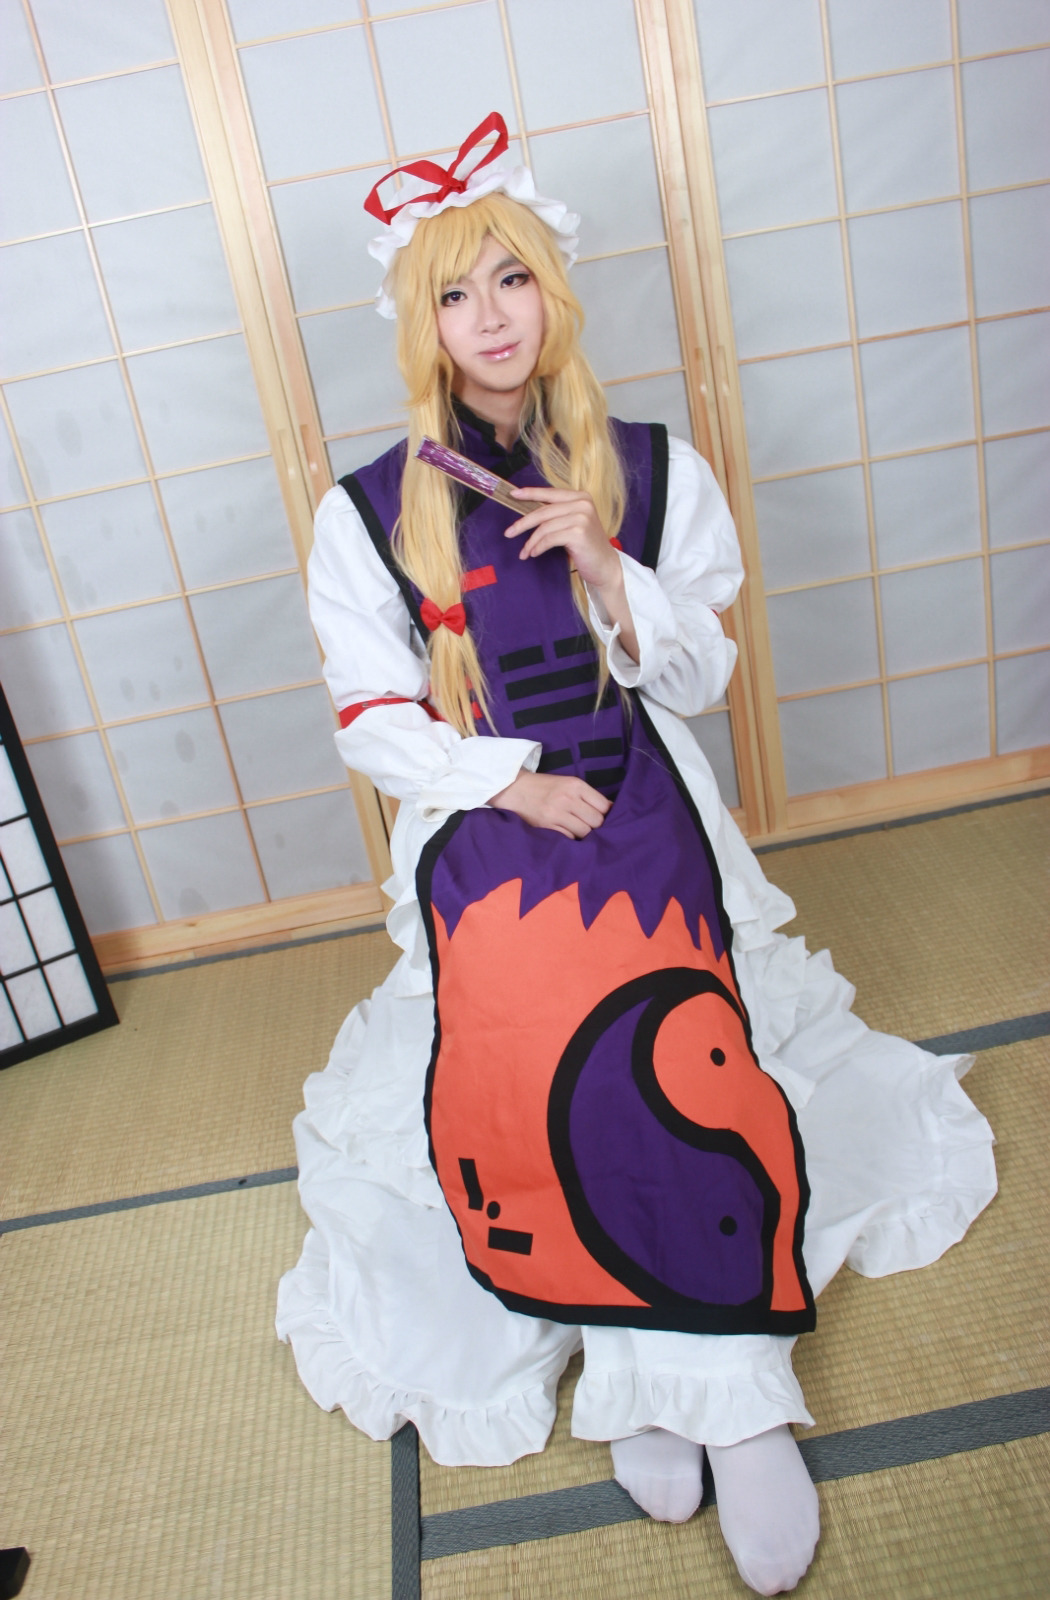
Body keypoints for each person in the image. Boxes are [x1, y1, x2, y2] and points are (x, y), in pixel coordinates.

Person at [276, 114, 996, 1595]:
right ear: (420, 324)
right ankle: (630, 1361)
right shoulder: (367, 512)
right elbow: (372, 718)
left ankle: (725, 1392)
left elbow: (700, 681)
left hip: (646, 795)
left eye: (512, 280)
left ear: (552, 290)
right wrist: (505, 782)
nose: (490, 318)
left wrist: (609, 566)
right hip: (488, 822)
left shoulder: (655, 468)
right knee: (536, 1043)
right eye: (455, 293)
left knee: (673, 1036)